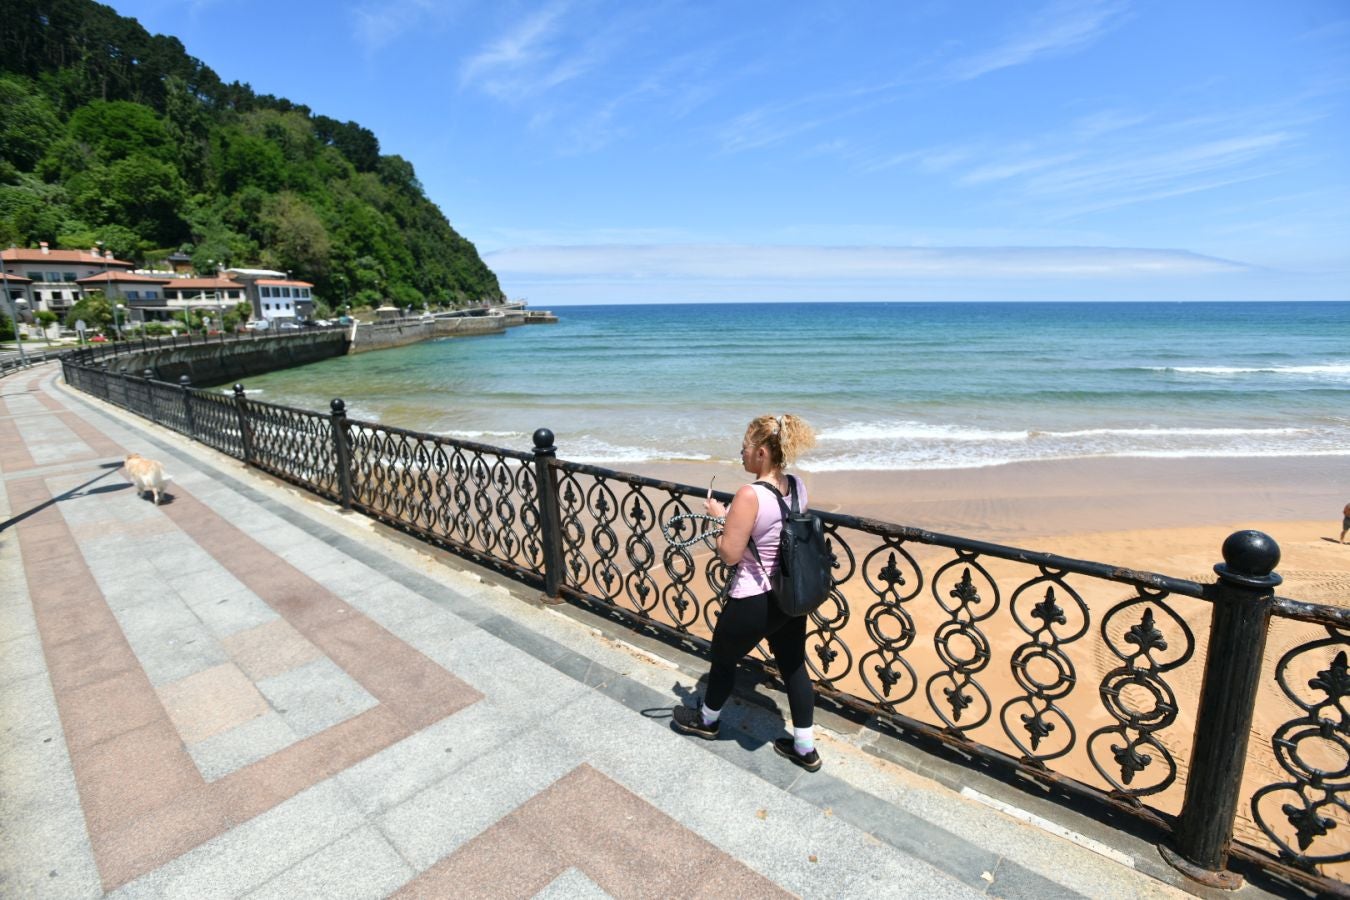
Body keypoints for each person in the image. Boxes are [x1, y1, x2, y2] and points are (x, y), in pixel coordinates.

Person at [672, 414, 822, 772]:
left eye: (744, 449)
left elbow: (729, 554)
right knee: (794, 665)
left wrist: (719, 518)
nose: (740, 455)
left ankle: (707, 721)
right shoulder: (797, 486)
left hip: (754, 596)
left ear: (761, 453)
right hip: (790, 596)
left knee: (723, 659)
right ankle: (805, 747)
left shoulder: (749, 494)